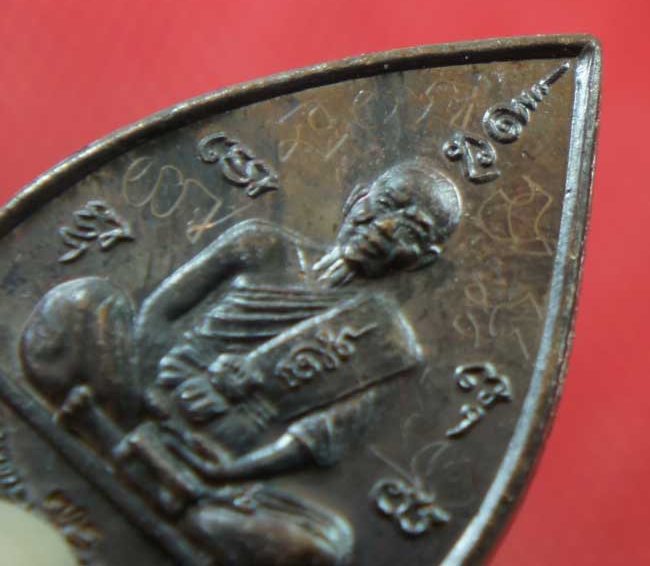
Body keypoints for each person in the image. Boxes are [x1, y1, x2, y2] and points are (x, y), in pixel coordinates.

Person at [19, 158, 462, 566]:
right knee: (82, 303)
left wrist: (226, 470)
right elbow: (161, 312)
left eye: (411, 230)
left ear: (422, 259)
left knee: (324, 546)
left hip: (212, 463)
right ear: (357, 197)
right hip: (140, 395)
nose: (385, 227)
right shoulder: (261, 244)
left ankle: (116, 444)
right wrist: (158, 388)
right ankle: (153, 473)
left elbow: (316, 440)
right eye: (386, 204)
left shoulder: (387, 339)